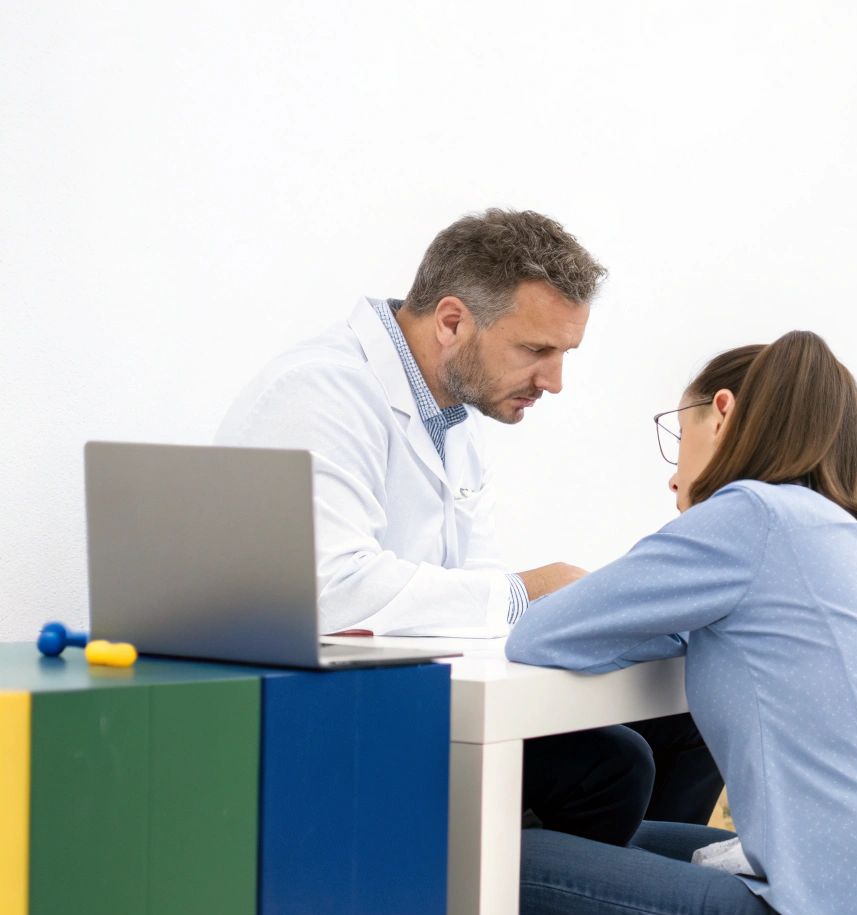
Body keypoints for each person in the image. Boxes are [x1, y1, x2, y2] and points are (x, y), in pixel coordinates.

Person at [506, 332, 857, 915]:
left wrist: (559, 585)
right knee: (617, 843)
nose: (675, 466)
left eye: (679, 432)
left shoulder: (751, 515)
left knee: (510, 870)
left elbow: (540, 634)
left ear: (724, 412)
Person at [216, 208, 720, 841]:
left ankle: (639, 911)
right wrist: (528, 592)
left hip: (419, 694)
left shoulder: (452, 420)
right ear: (452, 321)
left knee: (688, 719)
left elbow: (467, 587)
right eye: (537, 350)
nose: (555, 382)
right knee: (608, 765)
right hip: (326, 719)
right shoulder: (323, 392)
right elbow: (328, 590)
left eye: (563, 353)